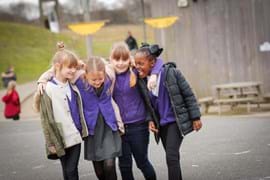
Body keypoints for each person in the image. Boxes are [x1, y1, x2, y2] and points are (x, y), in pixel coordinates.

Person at [37, 53, 124, 180]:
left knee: (109, 165)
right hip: (92, 129)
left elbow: (122, 63)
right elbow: (58, 69)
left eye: (100, 78)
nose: (98, 82)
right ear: (85, 75)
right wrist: (42, 80)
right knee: (100, 171)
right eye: (93, 80)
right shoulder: (78, 79)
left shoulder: (109, 74)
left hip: (109, 126)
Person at [134, 43, 203, 180]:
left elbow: (188, 94)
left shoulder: (171, 73)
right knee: (173, 158)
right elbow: (147, 105)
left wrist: (196, 117)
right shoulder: (142, 81)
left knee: (171, 157)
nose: (137, 67)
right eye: (136, 64)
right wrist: (150, 120)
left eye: (141, 63)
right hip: (161, 125)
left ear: (152, 63)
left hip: (175, 122)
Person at [109, 42, 164, 180]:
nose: (120, 63)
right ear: (111, 60)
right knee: (124, 165)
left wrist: (153, 75)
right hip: (119, 129)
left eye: (124, 59)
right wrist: (44, 78)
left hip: (138, 127)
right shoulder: (108, 75)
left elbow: (159, 62)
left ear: (129, 59)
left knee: (142, 162)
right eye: (117, 59)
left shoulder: (136, 72)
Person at [34, 42, 89, 180]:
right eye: (69, 68)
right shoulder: (48, 88)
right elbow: (45, 119)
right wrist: (50, 142)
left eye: (74, 68)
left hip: (75, 135)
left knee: (71, 169)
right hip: (59, 138)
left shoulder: (73, 85)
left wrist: (81, 65)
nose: (72, 71)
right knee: (66, 170)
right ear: (57, 66)